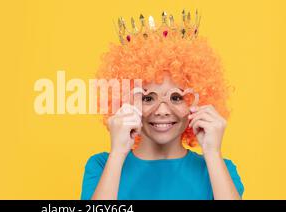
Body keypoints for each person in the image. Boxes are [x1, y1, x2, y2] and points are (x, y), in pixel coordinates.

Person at [81, 11, 244, 200]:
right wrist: (117, 153)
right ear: (126, 104)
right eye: (148, 98)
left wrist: (212, 153)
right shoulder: (102, 166)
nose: (162, 111)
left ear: (196, 103)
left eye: (176, 97)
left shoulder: (217, 169)